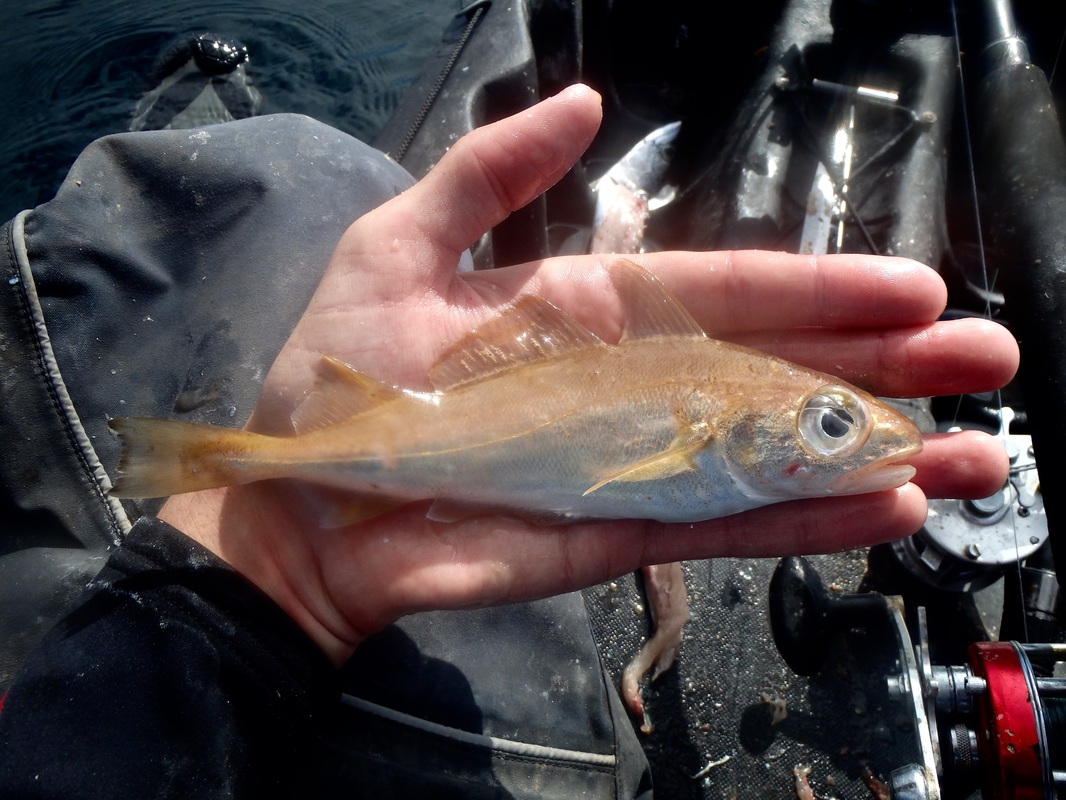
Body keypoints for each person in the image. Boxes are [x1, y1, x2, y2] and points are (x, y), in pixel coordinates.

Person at [0, 68, 1017, 798]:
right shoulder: (693, 416)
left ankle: (221, 466)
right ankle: (224, 462)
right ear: (727, 423)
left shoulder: (724, 420)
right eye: (828, 422)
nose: (845, 437)